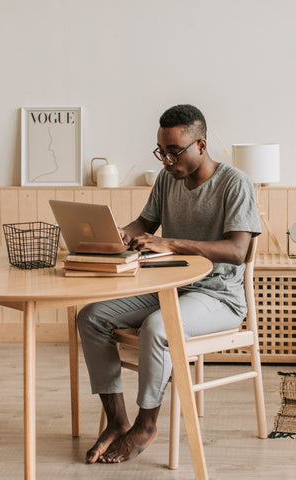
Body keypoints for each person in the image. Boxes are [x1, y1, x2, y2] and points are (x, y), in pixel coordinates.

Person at [77, 104, 261, 464]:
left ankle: (146, 425)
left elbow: (238, 251)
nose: (166, 160)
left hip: (218, 298)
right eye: (161, 151)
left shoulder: (234, 183)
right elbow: (144, 224)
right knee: (91, 316)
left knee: (157, 327)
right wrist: (116, 235)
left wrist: (172, 243)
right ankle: (117, 421)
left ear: (201, 146)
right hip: (171, 288)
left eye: (174, 152)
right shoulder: (167, 179)